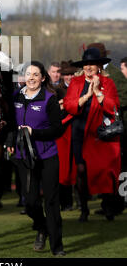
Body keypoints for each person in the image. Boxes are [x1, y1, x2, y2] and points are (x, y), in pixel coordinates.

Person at [6, 61, 65, 257]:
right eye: (28, 74)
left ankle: (57, 247)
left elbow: (58, 129)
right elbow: (10, 124)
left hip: (48, 156)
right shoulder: (16, 97)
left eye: (35, 74)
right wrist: (9, 139)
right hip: (24, 157)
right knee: (30, 202)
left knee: (51, 202)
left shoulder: (49, 98)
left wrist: (34, 132)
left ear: (42, 78)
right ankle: (42, 228)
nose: (31, 78)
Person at [63, 47, 121, 222]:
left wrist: (97, 92)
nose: (88, 67)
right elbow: (69, 105)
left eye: (92, 64)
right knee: (81, 170)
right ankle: (84, 209)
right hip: (79, 132)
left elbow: (113, 107)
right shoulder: (76, 82)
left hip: (100, 134)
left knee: (104, 171)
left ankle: (108, 207)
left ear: (99, 66)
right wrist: (87, 95)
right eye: (86, 64)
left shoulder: (108, 83)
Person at [87, 43, 127, 216]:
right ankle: (107, 203)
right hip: (101, 129)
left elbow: (124, 98)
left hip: (116, 128)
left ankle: (116, 204)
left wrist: (106, 103)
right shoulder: (95, 74)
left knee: (118, 167)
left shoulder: (115, 74)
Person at [55, 61, 79, 211]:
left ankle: (81, 202)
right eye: (66, 74)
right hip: (63, 133)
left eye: (71, 74)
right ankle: (66, 202)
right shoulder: (56, 90)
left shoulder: (81, 88)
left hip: (79, 130)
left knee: (79, 167)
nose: (69, 77)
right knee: (63, 167)